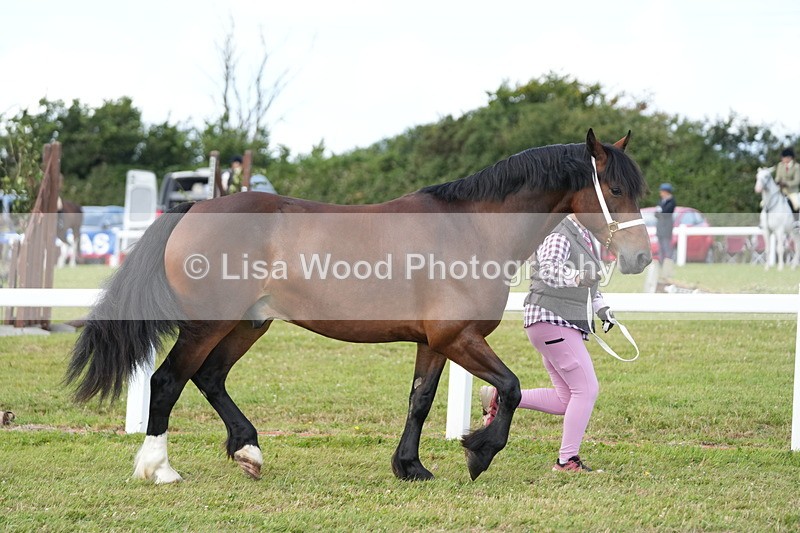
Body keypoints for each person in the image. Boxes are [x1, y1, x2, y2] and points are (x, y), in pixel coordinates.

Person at [480, 215, 616, 473]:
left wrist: (602, 309)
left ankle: (501, 396)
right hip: (553, 319)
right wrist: (577, 276)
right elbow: (549, 269)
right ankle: (567, 461)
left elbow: (591, 286)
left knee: (566, 399)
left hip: (558, 322)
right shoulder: (560, 232)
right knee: (586, 390)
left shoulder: (584, 235)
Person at [772, 148, 800, 213]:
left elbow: (797, 181)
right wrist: (777, 182)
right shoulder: (780, 165)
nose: (782, 159)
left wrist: (786, 183)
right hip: (781, 191)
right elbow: (778, 177)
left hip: (792, 191)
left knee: (797, 205)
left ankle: (797, 221)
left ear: (789, 158)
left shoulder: (796, 167)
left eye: (783, 157)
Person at [655, 183, 676, 265]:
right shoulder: (661, 201)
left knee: (666, 246)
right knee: (660, 247)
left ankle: (669, 262)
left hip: (666, 228)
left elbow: (666, 213)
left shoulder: (671, 202)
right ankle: (661, 262)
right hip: (660, 227)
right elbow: (656, 214)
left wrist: (660, 214)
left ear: (666, 192)